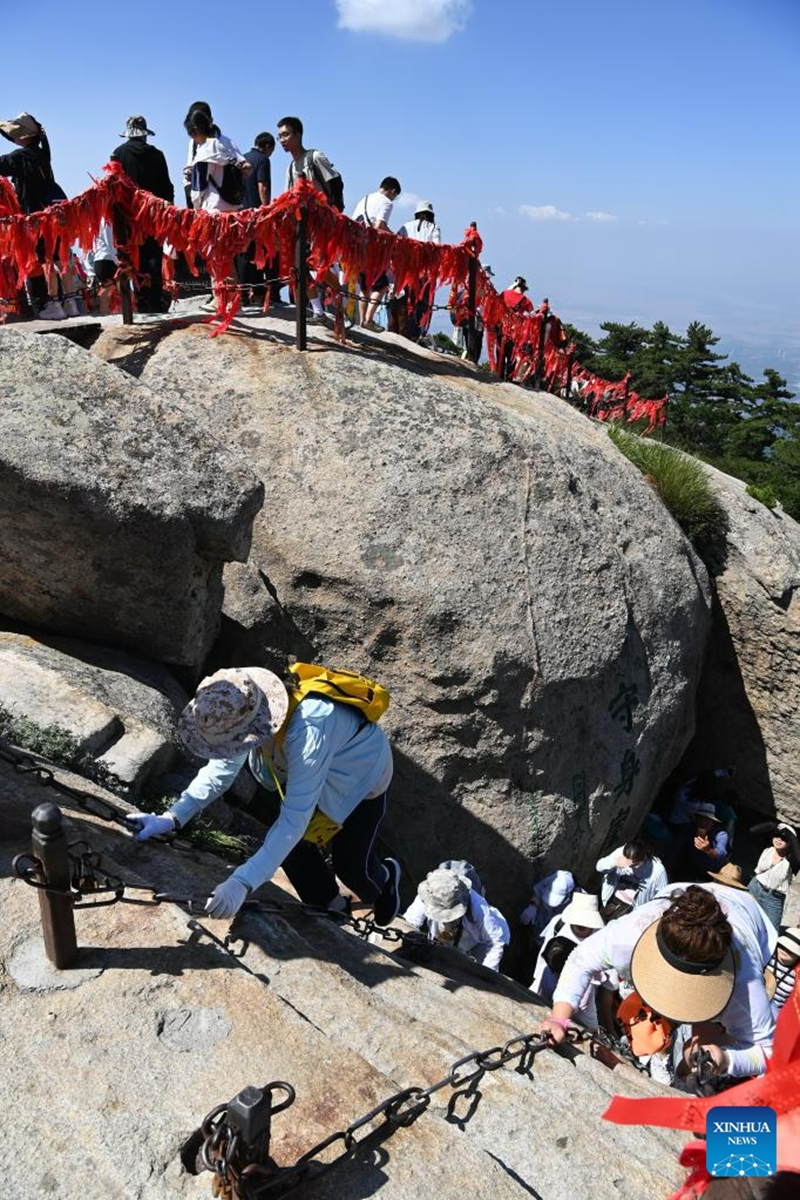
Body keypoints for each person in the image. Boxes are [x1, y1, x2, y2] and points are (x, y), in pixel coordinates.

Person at [127, 667, 401, 923]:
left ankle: (386, 882)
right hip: (302, 766)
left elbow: (294, 820)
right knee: (291, 845)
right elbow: (221, 770)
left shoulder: (307, 729)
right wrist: (172, 817)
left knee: (352, 867)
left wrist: (243, 881)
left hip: (362, 775)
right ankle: (331, 906)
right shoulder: (239, 697)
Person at [541, 883, 777, 1082]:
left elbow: (768, 1051)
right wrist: (559, 1018)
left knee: (697, 1052)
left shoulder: (743, 985)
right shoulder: (630, 934)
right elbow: (580, 960)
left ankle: (683, 1077)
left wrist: (725, 1058)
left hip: (748, 917)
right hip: (682, 898)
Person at [0, 112, 67, 320]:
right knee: (52, 258)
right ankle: (65, 302)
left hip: (35, 218)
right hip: (49, 216)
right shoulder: (41, 154)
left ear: (23, 136)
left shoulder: (22, 156)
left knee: (40, 260)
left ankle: (49, 304)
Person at [277, 116, 344, 322]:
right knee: (300, 268)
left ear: (298, 135)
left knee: (321, 267)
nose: (282, 140)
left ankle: (340, 303)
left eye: (286, 135)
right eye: (279, 136)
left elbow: (335, 184)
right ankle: (318, 311)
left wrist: (333, 216)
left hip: (322, 223)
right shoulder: (291, 167)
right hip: (301, 225)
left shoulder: (315, 157)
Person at [110, 116, 174, 314]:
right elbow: (167, 188)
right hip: (153, 216)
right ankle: (154, 300)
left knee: (132, 258)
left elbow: (113, 186)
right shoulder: (157, 155)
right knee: (154, 255)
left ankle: (140, 301)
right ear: (145, 135)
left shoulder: (118, 154)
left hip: (128, 217)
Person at [402, 865, 509, 972]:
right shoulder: (429, 895)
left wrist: (487, 972)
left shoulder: (478, 908)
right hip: (442, 941)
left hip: (478, 944)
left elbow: (494, 941)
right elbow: (410, 923)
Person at [530, 892, 606, 1014]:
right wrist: (536, 981)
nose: (581, 924)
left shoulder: (602, 936)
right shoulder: (558, 923)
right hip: (551, 975)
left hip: (582, 987)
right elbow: (545, 950)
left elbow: (606, 976)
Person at [350, 176, 402, 333]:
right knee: (381, 285)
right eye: (395, 195)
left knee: (365, 286)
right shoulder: (386, 202)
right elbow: (379, 226)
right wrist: (395, 237)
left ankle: (362, 322)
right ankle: (368, 320)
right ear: (392, 191)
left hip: (356, 247)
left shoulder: (364, 199)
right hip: (372, 248)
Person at [238, 132, 275, 308]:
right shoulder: (263, 160)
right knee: (258, 255)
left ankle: (245, 293)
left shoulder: (243, 158)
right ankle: (254, 294)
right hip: (255, 214)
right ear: (268, 146)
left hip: (240, 213)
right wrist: (266, 208)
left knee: (244, 254)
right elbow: (263, 186)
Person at [396, 199, 441, 341]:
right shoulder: (434, 228)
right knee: (421, 302)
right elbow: (437, 247)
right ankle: (415, 334)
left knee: (404, 299)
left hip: (405, 269)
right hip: (424, 271)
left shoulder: (406, 226)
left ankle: (402, 331)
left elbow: (396, 241)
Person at [595, 839, 668, 921]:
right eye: (628, 863)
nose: (630, 867)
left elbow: (663, 895)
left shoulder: (657, 870)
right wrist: (614, 863)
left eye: (634, 865)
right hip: (612, 902)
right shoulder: (620, 854)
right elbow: (599, 867)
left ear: (643, 858)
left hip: (632, 911)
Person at [747, 821, 799, 930]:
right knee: (744, 919)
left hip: (773, 898)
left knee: (772, 931)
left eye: (784, 838)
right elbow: (752, 830)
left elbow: (797, 854)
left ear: (790, 842)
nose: (779, 839)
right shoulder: (768, 850)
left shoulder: (792, 860)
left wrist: (789, 833)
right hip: (754, 887)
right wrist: (773, 826)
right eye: (777, 835)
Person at [675, 802, 730, 881]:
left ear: (713, 822)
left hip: (710, 873)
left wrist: (708, 850)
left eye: (708, 820)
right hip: (690, 868)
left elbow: (721, 853)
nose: (704, 823)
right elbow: (677, 848)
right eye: (702, 819)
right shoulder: (689, 829)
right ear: (697, 819)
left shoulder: (721, 834)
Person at [498, 276, 533, 380]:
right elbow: (531, 316)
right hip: (515, 332)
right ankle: (509, 377)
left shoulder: (504, 293)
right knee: (511, 356)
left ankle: (498, 375)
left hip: (501, 327)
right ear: (523, 288)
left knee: (500, 352)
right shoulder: (526, 301)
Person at [767, 926, 800, 1017]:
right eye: (782, 946)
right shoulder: (767, 958)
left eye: (790, 950)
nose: (785, 950)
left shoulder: (796, 974)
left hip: (777, 1015)